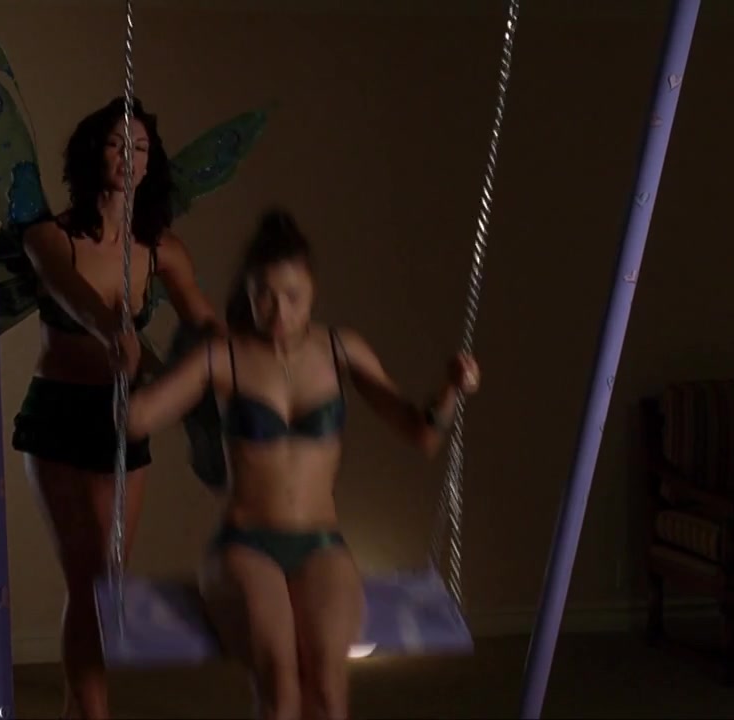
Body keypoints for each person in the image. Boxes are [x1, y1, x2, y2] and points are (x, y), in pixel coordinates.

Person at [124, 209, 482, 720]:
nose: (279, 311)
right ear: (248, 295)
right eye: (264, 296)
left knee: (329, 692)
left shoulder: (340, 349)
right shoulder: (223, 356)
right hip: (245, 547)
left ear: (312, 291)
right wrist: (124, 363)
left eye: (292, 296)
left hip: (320, 544)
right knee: (282, 686)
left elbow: (420, 433)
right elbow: (137, 421)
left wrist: (451, 388)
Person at [11, 96, 222, 720]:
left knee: (108, 586)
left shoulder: (163, 250)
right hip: (58, 414)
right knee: (86, 580)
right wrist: (114, 330)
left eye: (140, 147)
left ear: (152, 163)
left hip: (124, 418)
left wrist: (251, 362)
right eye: (115, 143)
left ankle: (79, 710)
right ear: (91, 152)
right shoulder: (49, 237)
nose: (129, 156)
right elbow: (74, 294)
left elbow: (207, 329)